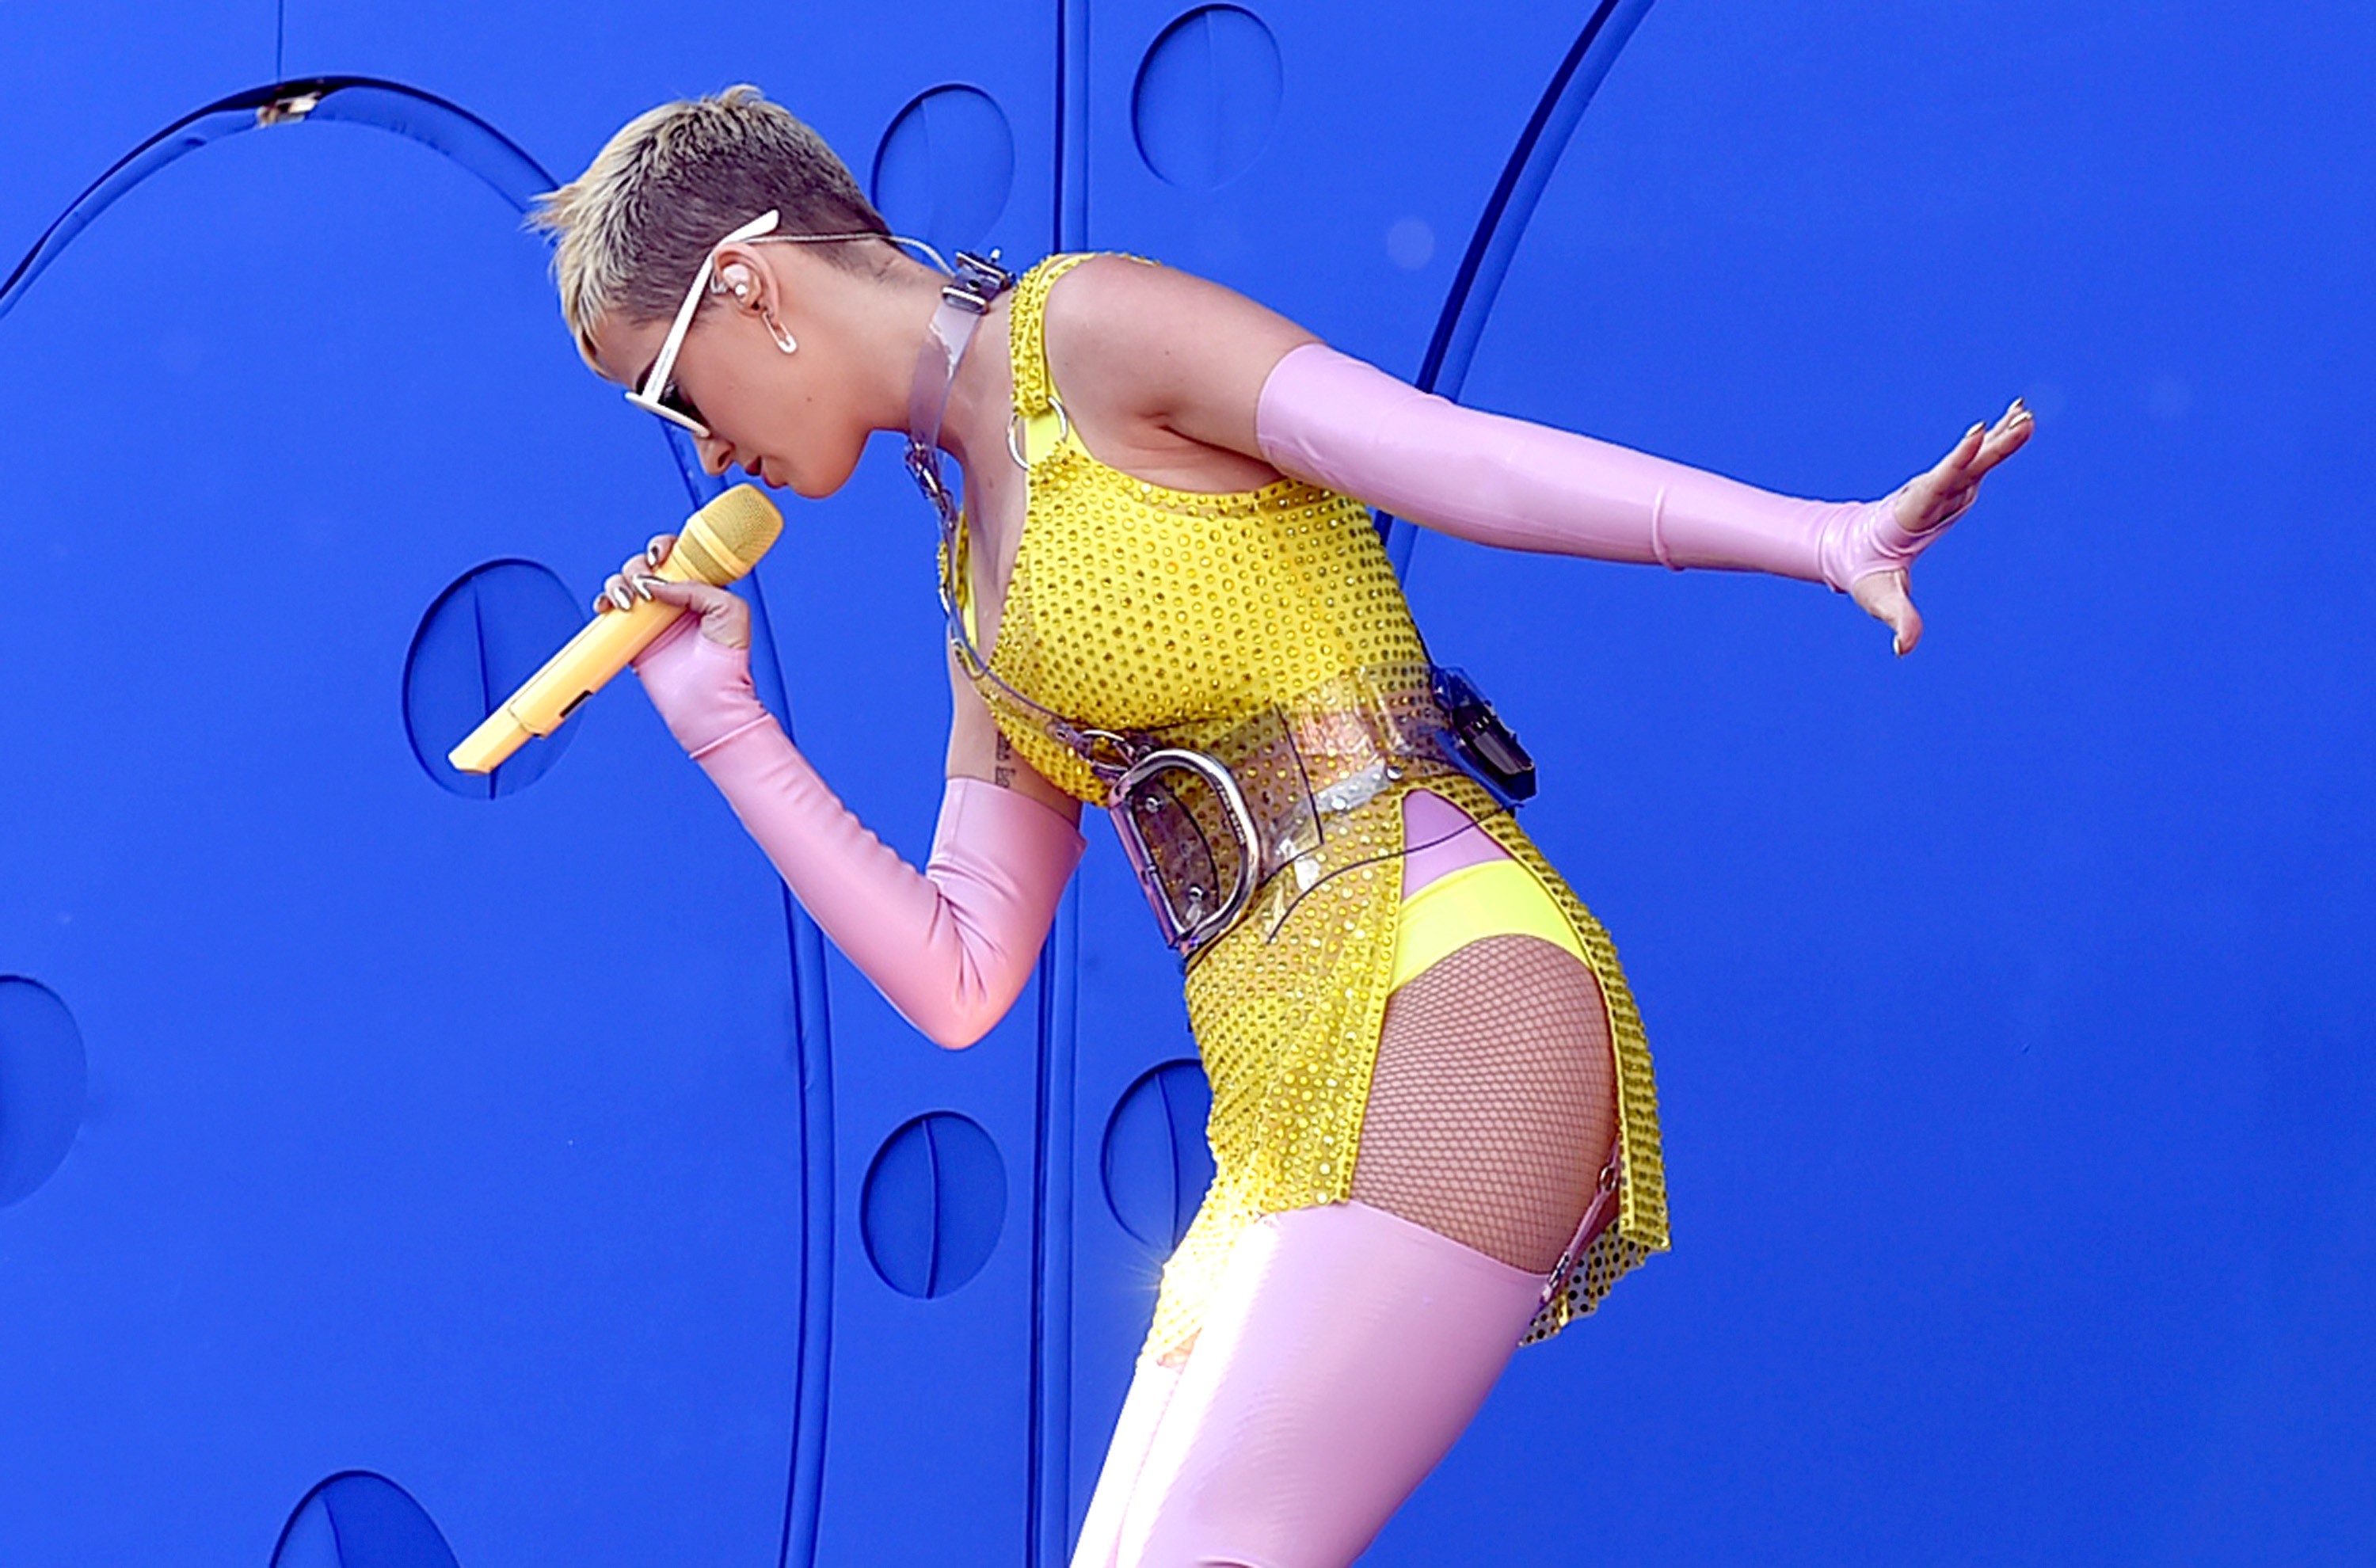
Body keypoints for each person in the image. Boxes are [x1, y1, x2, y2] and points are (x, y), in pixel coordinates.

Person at [528, 84, 2031, 1568]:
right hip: (1279, 1095)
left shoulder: (1086, 332)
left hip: (1441, 986)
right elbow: (961, 974)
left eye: (670, 394)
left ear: (748, 285)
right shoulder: (971, 576)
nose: (703, 451)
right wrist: (725, 724)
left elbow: (1454, 461)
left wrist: (1823, 537)